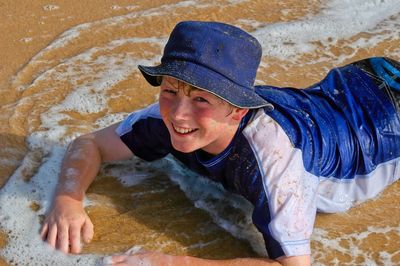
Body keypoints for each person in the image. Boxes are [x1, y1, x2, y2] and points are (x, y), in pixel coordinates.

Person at [40, 20, 400, 266]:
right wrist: (66, 199)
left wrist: (174, 262)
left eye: (201, 100)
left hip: (387, 127)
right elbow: (91, 144)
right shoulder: (164, 118)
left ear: (238, 110)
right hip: (355, 80)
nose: (178, 115)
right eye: (170, 90)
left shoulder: (275, 161)